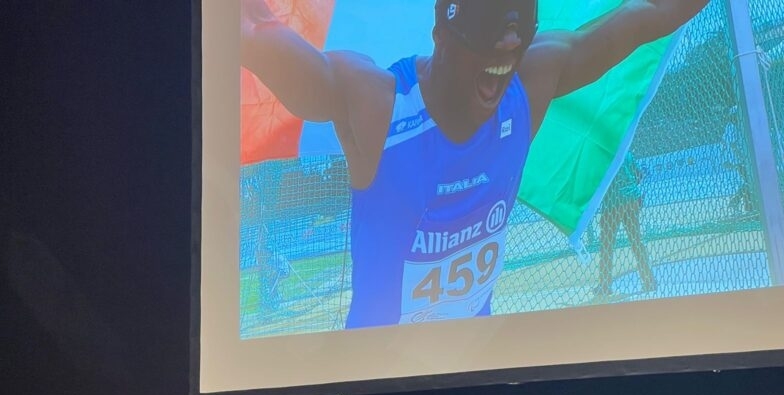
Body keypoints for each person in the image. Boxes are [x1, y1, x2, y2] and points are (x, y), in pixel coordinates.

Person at [241, 0, 708, 328]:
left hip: (470, 362)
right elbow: (269, 45)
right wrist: (249, 28)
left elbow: (643, 16)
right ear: (441, 35)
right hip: (379, 375)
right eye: (489, 27)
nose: (507, 43)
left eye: (519, 26)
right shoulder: (378, 102)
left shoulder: (532, 79)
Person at [596, 152, 657, 299]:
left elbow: (595, 183)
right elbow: (639, 175)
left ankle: (605, 286)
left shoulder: (601, 155)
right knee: (637, 242)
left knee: (607, 245)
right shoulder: (626, 152)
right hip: (632, 200)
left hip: (613, 203)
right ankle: (649, 281)